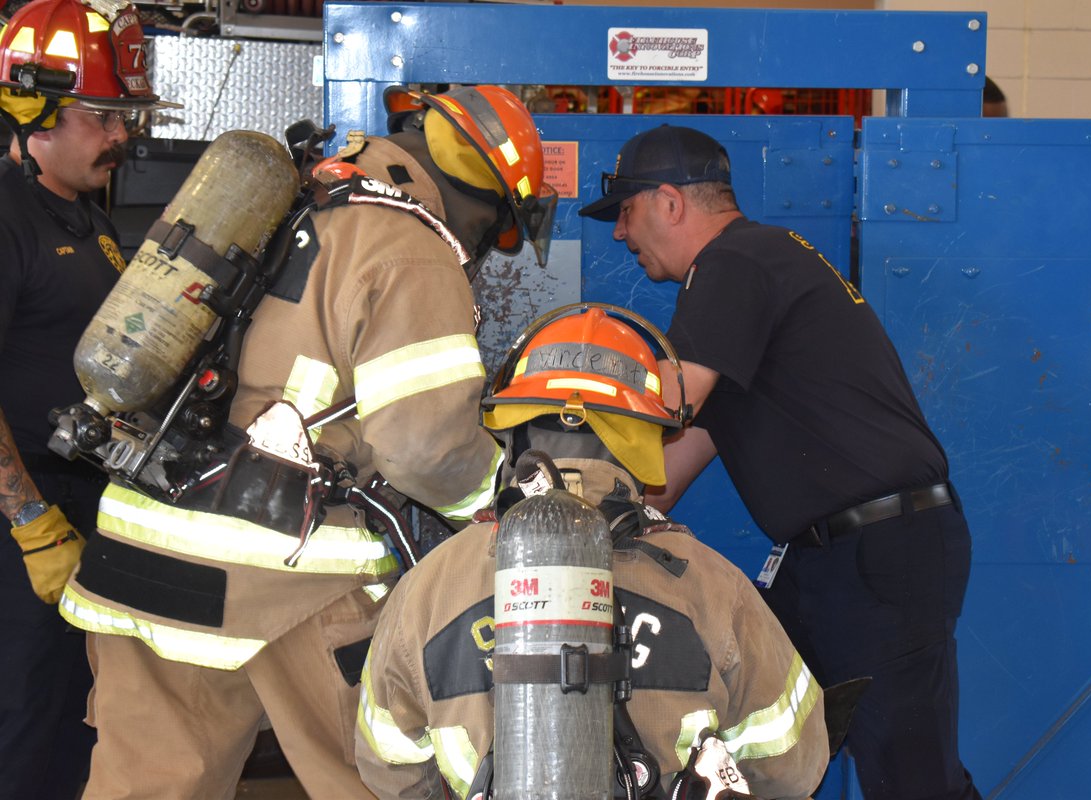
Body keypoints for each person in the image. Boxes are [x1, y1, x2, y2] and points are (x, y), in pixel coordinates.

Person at [59, 84, 556, 799]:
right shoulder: (410, 247)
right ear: (480, 194)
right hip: (288, 580)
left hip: (139, 555)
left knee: (143, 785)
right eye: (496, 229)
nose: (483, 247)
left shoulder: (295, 195)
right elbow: (425, 448)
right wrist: (512, 500)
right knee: (379, 775)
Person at [579, 124, 981, 800]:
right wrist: (572, 517)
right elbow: (663, 478)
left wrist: (559, 406)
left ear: (669, 202)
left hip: (878, 552)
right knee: (765, 744)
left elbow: (669, 401)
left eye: (625, 211)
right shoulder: (743, 292)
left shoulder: (737, 262)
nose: (620, 234)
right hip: (830, 561)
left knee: (913, 780)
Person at [355, 304, 829, 800]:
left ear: (514, 430)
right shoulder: (713, 586)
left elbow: (389, 766)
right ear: (647, 437)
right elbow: (794, 764)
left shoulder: (427, 590)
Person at [0, 1, 176, 797]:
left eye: (125, 116)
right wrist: (29, 522)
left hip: (82, 511)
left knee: (73, 729)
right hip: (21, 527)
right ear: (32, 108)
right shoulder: (6, 217)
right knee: (23, 732)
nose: (120, 136)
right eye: (104, 115)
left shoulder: (83, 218)